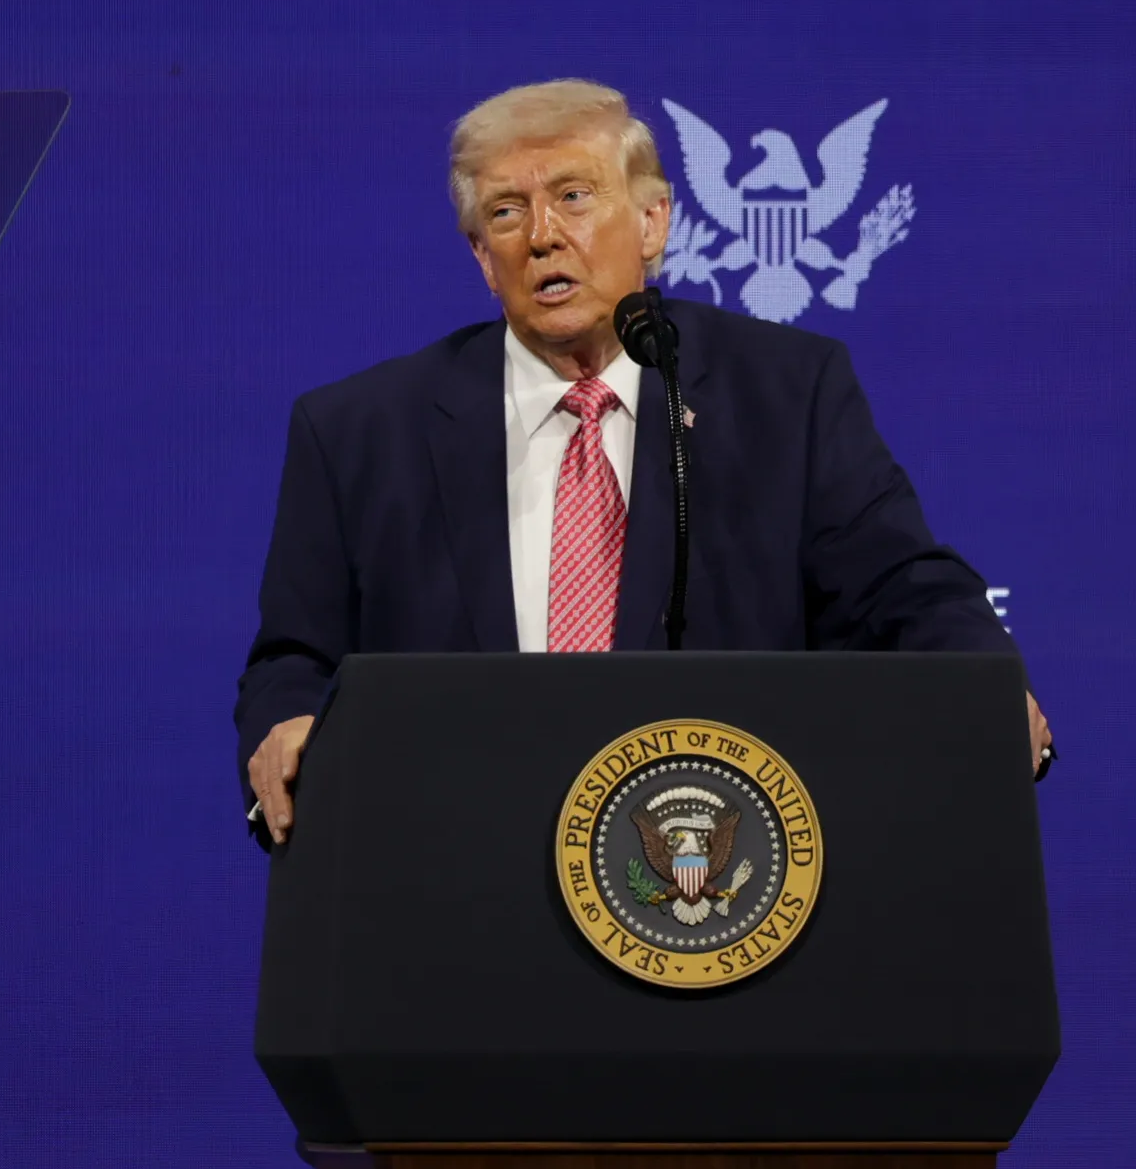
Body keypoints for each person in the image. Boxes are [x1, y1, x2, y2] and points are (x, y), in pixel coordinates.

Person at [236, 79, 1051, 846]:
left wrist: (982, 686)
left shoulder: (787, 395)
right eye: (507, 213)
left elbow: (902, 587)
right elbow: (294, 658)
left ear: (655, 222)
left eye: (574, 196)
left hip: (722, 880)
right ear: (484, 259)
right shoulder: (360, 432)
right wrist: (287, 726)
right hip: (461, 871)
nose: (545, 235)